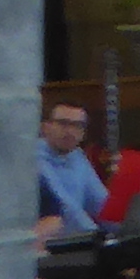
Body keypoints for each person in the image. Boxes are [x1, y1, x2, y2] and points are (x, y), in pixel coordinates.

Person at [36, 99, 102, 239]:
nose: (70, 131)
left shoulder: (77, 156)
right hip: (48, 245)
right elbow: (66, 209)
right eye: (63, 123)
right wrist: (97, 236)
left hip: (77, 242)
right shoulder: (33, 159)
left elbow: (101, 202)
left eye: (78, 125)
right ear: (45, 127)